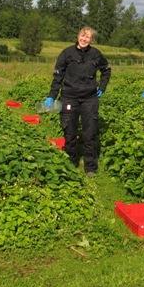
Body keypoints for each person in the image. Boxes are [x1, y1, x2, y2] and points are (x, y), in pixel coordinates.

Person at [44, 27, 111, 176]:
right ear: (78, 36)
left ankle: (90, 167)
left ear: (91, 40)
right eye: (83, 35)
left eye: (88, 37)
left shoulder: (96, 54)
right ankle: (71, 162)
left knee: (90, 132)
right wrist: (52, 96)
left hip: (90, 98)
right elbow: (58, 76)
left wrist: (102, 86)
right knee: (69, 131)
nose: (84, 39)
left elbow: (106, 70)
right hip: (69, 96)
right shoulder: (67, 53)